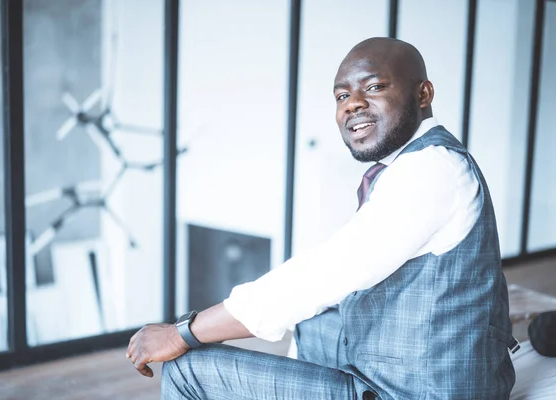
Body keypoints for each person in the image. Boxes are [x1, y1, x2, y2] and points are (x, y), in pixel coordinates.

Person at [126, 37, 518, 399]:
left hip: (421, 391)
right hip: (435, 371)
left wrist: (184, 332)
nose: (353, 104)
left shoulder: (432, 170)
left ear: (423, 93)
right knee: (315, 325)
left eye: (374, 87)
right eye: (342, 95)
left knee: (187, 369)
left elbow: (325, 273)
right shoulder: (417, 163)